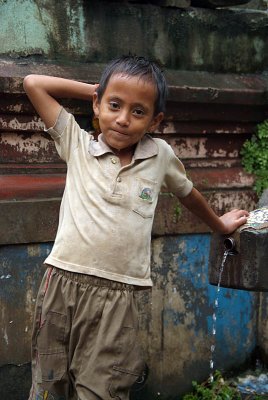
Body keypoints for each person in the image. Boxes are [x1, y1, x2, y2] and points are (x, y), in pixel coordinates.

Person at [23, 55, 248, 400]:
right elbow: (34, 84)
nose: (124, 119)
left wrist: (219, 225)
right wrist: (95, 91)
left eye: (138, 111)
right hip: (62, 284)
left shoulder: (159, 156)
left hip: (119, 295)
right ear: (97, 105)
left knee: (103, 389)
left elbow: (188, 194)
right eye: (115, 105)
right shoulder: (77, 144)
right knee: (49, 385)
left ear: (155, 120)